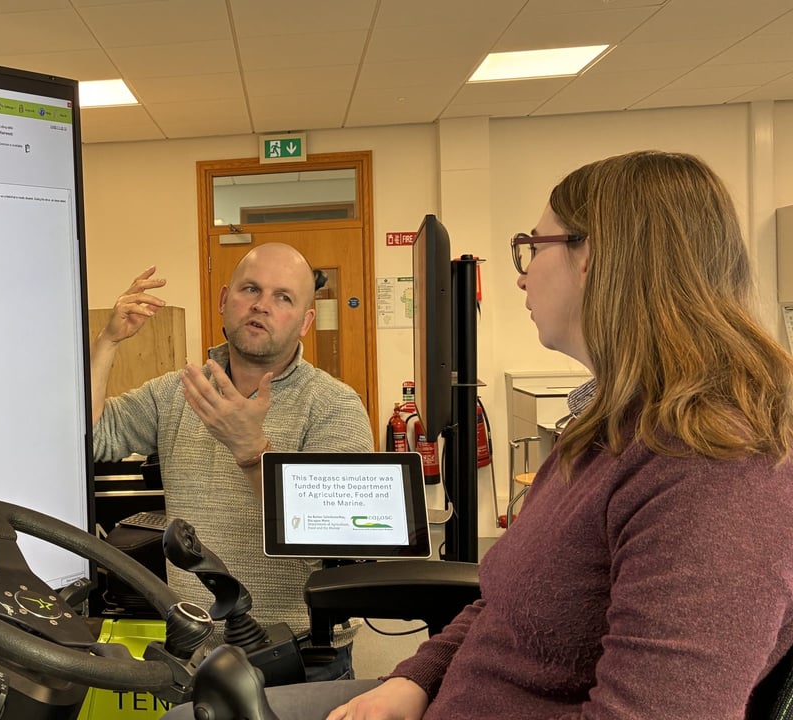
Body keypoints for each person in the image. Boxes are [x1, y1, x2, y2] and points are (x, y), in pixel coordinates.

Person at [165, 150, 793, 719]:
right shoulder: (601, 430)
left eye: (532, 246)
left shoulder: (713, 471)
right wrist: (413, 679)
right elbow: (503, 601)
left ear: (595, 255)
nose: (520, 274)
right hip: (447, 694)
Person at [92, 242, 373, 681]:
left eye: (283, 297)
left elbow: (338, 536)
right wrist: (108, 342)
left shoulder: (334, 405)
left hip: (300, 656)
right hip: (197, 652)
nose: (262, 305)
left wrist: (252, 452)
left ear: (305, 322)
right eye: (250, 289)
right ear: (225, 301)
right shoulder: (180, 391)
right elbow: (94, 436)